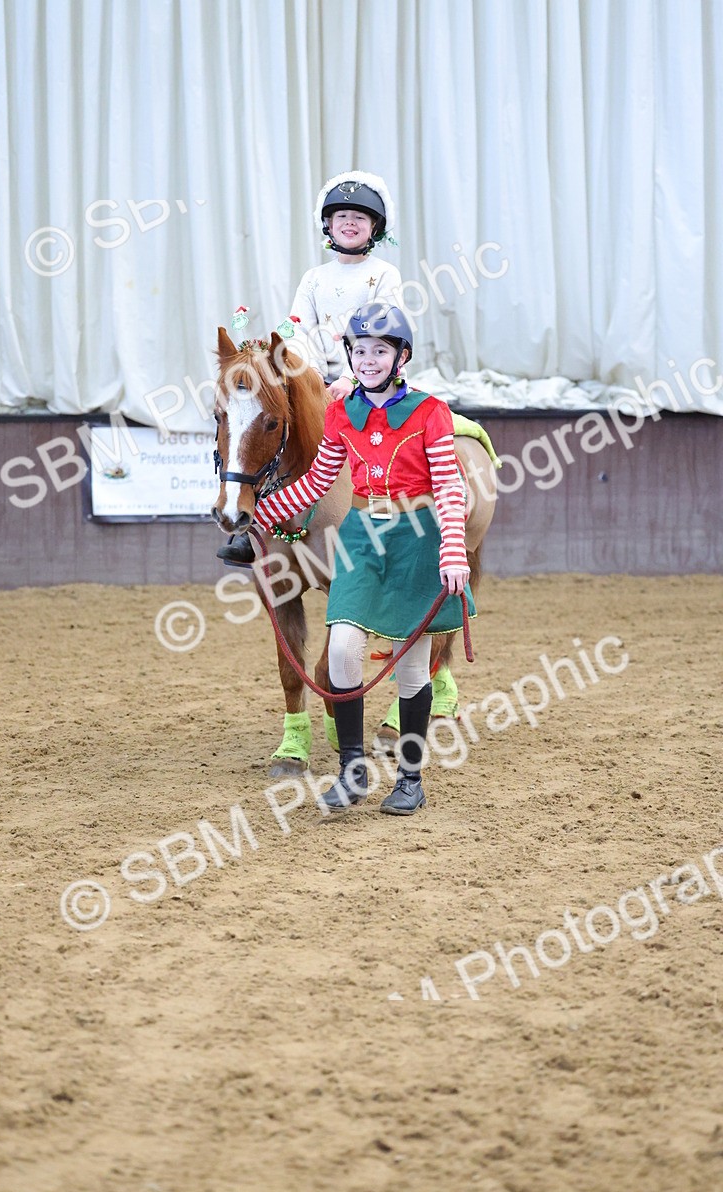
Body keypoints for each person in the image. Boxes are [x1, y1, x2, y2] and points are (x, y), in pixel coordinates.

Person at [251, 303, 475, 816]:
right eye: (360, 350)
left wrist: (454, 550)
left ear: (401, 356)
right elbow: (318, 479)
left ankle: (410, 778)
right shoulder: (339, 412)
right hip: (360, 534)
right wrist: (261, 515)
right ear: (349, 355)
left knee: (412, 666)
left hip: (416, 537)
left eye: (380, 350)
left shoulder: (430, 412)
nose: (369, 359)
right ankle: (353, 772)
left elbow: (446, 484)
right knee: (344, 649)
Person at [217, 170, 401, 567]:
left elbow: (383, 328)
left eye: (359, 218)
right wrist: (307, 376)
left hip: (372, 376)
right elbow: (297, 328)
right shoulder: (314, 278)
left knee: (381, 434)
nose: (349, 223)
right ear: (328, 226)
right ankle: (251, 529)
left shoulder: (384, 275)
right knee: (271, 430)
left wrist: (354, 377)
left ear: (374, 229)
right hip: (319, 379)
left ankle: (386, 515)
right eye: (341, 217)